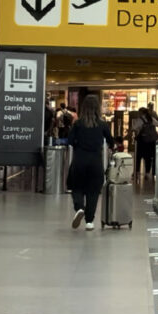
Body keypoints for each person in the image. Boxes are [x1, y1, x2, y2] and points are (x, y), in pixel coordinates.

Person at [67, 95, 115, 231]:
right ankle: (89, 221)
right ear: (97, 108)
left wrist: (78, 144)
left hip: (79, 160)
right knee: (93, 192)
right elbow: (111, 141)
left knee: (76, 187)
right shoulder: (102, 124)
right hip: (95, 162)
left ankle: (79, 208)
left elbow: (70, 140)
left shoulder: (78, 124)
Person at [134, 107, 158, 180]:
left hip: (142, 142)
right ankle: (147, 173)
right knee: (148, 157)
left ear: (141, 113)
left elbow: (133, 129)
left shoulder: (139, 120)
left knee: (138, 157)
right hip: (151, 142)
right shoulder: (151, 119)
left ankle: (137, 172)